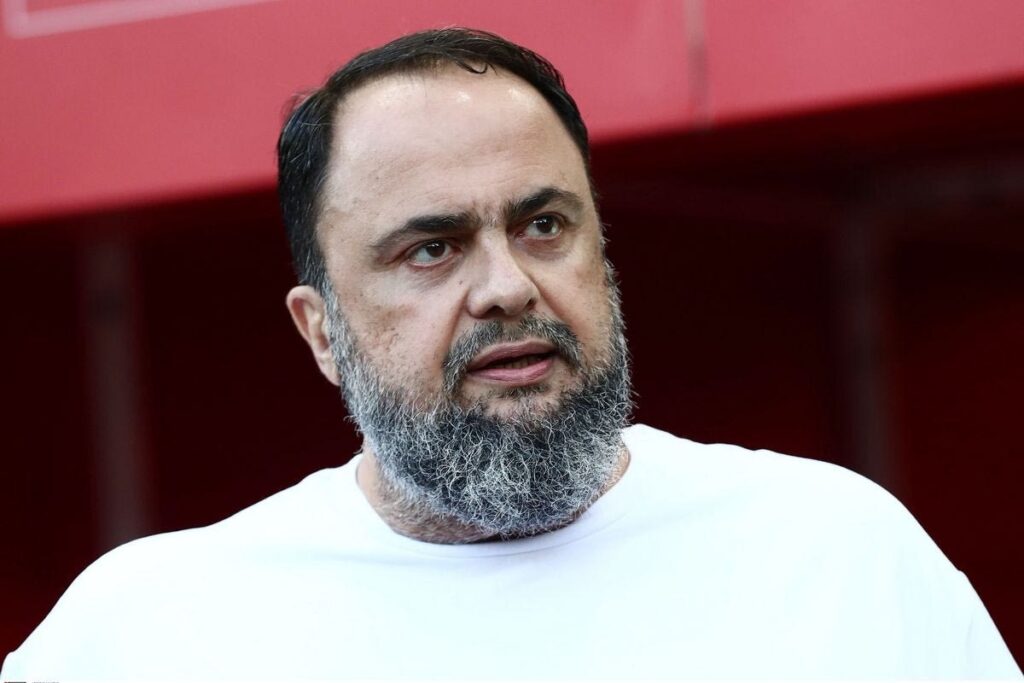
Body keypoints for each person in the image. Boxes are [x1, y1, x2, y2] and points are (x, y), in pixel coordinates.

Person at [3, 27, 1021, 680]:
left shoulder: (834, 553)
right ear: (322, 332)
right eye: (432, 247)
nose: (506, 285)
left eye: (543, 225)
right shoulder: (150, 633)